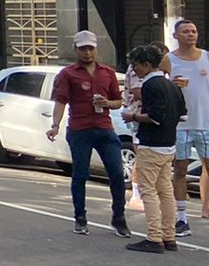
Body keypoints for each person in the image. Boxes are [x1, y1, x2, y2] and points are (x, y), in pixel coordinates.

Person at [47, 30, 131, 237]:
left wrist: (107, 103)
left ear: (96, 49)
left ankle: (118, 218)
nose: (87, 53)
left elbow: (118, 101)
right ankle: (80, 217)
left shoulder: (107, 72)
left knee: (117, 174)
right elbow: (60, 101)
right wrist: (55, 125)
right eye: (83, 49)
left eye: (90, 48)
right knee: (80, 174)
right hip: (80, 129)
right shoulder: (68, 74)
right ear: (76, 49)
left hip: (104, 128)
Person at [126, 43, 185, 253]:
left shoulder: (150, 86)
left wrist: (132, 116)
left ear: (147, 64)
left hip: (151, 144)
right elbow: (182, 113)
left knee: (148, 191)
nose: (134, 70)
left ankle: (154, 236)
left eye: (136, 65)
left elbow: (154, 117)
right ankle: (169, 236)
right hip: (169, 143)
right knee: (166, 191)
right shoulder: (172, 85)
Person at [168, 19, 208, 236]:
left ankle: (205, 209)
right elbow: (156, 86)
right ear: (176, 36)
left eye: (193, 31)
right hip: (181, 125)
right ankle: (182, 218)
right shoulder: (168, 60)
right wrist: (171, 85)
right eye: (185, 31)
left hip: (206, 124)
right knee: (180, 170)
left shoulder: (207, 57)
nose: (191, 34)